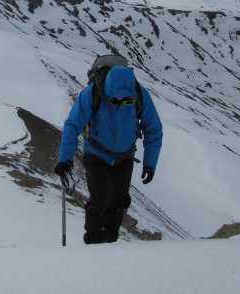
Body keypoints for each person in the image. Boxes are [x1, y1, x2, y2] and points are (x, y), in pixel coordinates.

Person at [54, 65, 163, 244]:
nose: (121, 105)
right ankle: (93, 242)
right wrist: (65, 159)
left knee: (119, 201)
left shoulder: (139, 95)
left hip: (125, 156)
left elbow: (154, 129)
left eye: (126, 101)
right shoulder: (91, 94)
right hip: (96, 153)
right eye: (115, 101)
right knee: (100, 197)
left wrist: (150, 163)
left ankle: (110, 243)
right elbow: (73, 125)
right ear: (106, 92)